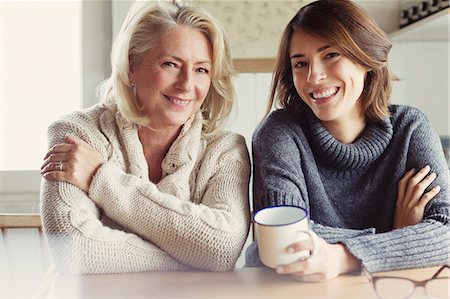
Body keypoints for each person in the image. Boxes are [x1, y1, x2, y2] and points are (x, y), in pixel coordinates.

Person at [40, 0, 251, 274]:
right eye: (171, 64)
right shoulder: (77, 134)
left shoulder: (225, 149)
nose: (187, 84)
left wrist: (101, 178)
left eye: (201, 69)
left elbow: (222, 247)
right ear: (132, 68)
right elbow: (74, 250)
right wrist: (191, 258)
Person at [246, 0, 450, 281]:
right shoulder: (280, 133)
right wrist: (398, 237)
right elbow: (284, 242)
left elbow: (447, 233)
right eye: (300, 63)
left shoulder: (411, 129)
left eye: (330, 55)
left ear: (366, 58)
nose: (313, 77)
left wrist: (343, 255)